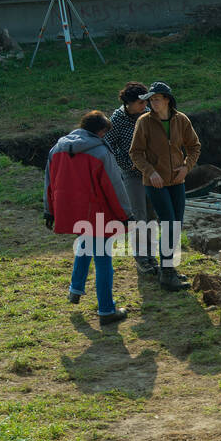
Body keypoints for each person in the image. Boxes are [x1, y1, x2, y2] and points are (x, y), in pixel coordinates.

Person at [44, 110, 133, 324]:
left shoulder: (57, 148)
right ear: (100, 131)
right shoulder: (101, 152)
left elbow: (49, 180)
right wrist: (125, 214)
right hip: (97, 212)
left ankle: (75, 290)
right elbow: (114, 186)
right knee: (103, 260)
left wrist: (49, 210)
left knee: (85, 243)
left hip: (71, 211)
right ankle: (106, 310)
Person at [129, 81, 200, 292]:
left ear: (167, 100)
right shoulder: (144, 122)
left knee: (176, 224)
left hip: (177, 181)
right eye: (150, 100)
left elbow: (194, 147)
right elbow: (136, 153)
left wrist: (186, 167)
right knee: (168, 222)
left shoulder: (181, 120)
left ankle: (168, 268)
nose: (153, 103)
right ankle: (167, 274)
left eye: (156, 99)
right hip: (155, 183)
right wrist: (150, 172)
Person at [106, 81, 158, 276]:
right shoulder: (117, 119)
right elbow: (109, 144)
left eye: (145, 103)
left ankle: (151, 255)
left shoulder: (147, 115)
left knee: (152, 215)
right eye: (140, 103)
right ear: (129, 103)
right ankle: (141, 258)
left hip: (151, 171)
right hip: (131, 174)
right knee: (139, 216)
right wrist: (127, 164)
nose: (144, 107)